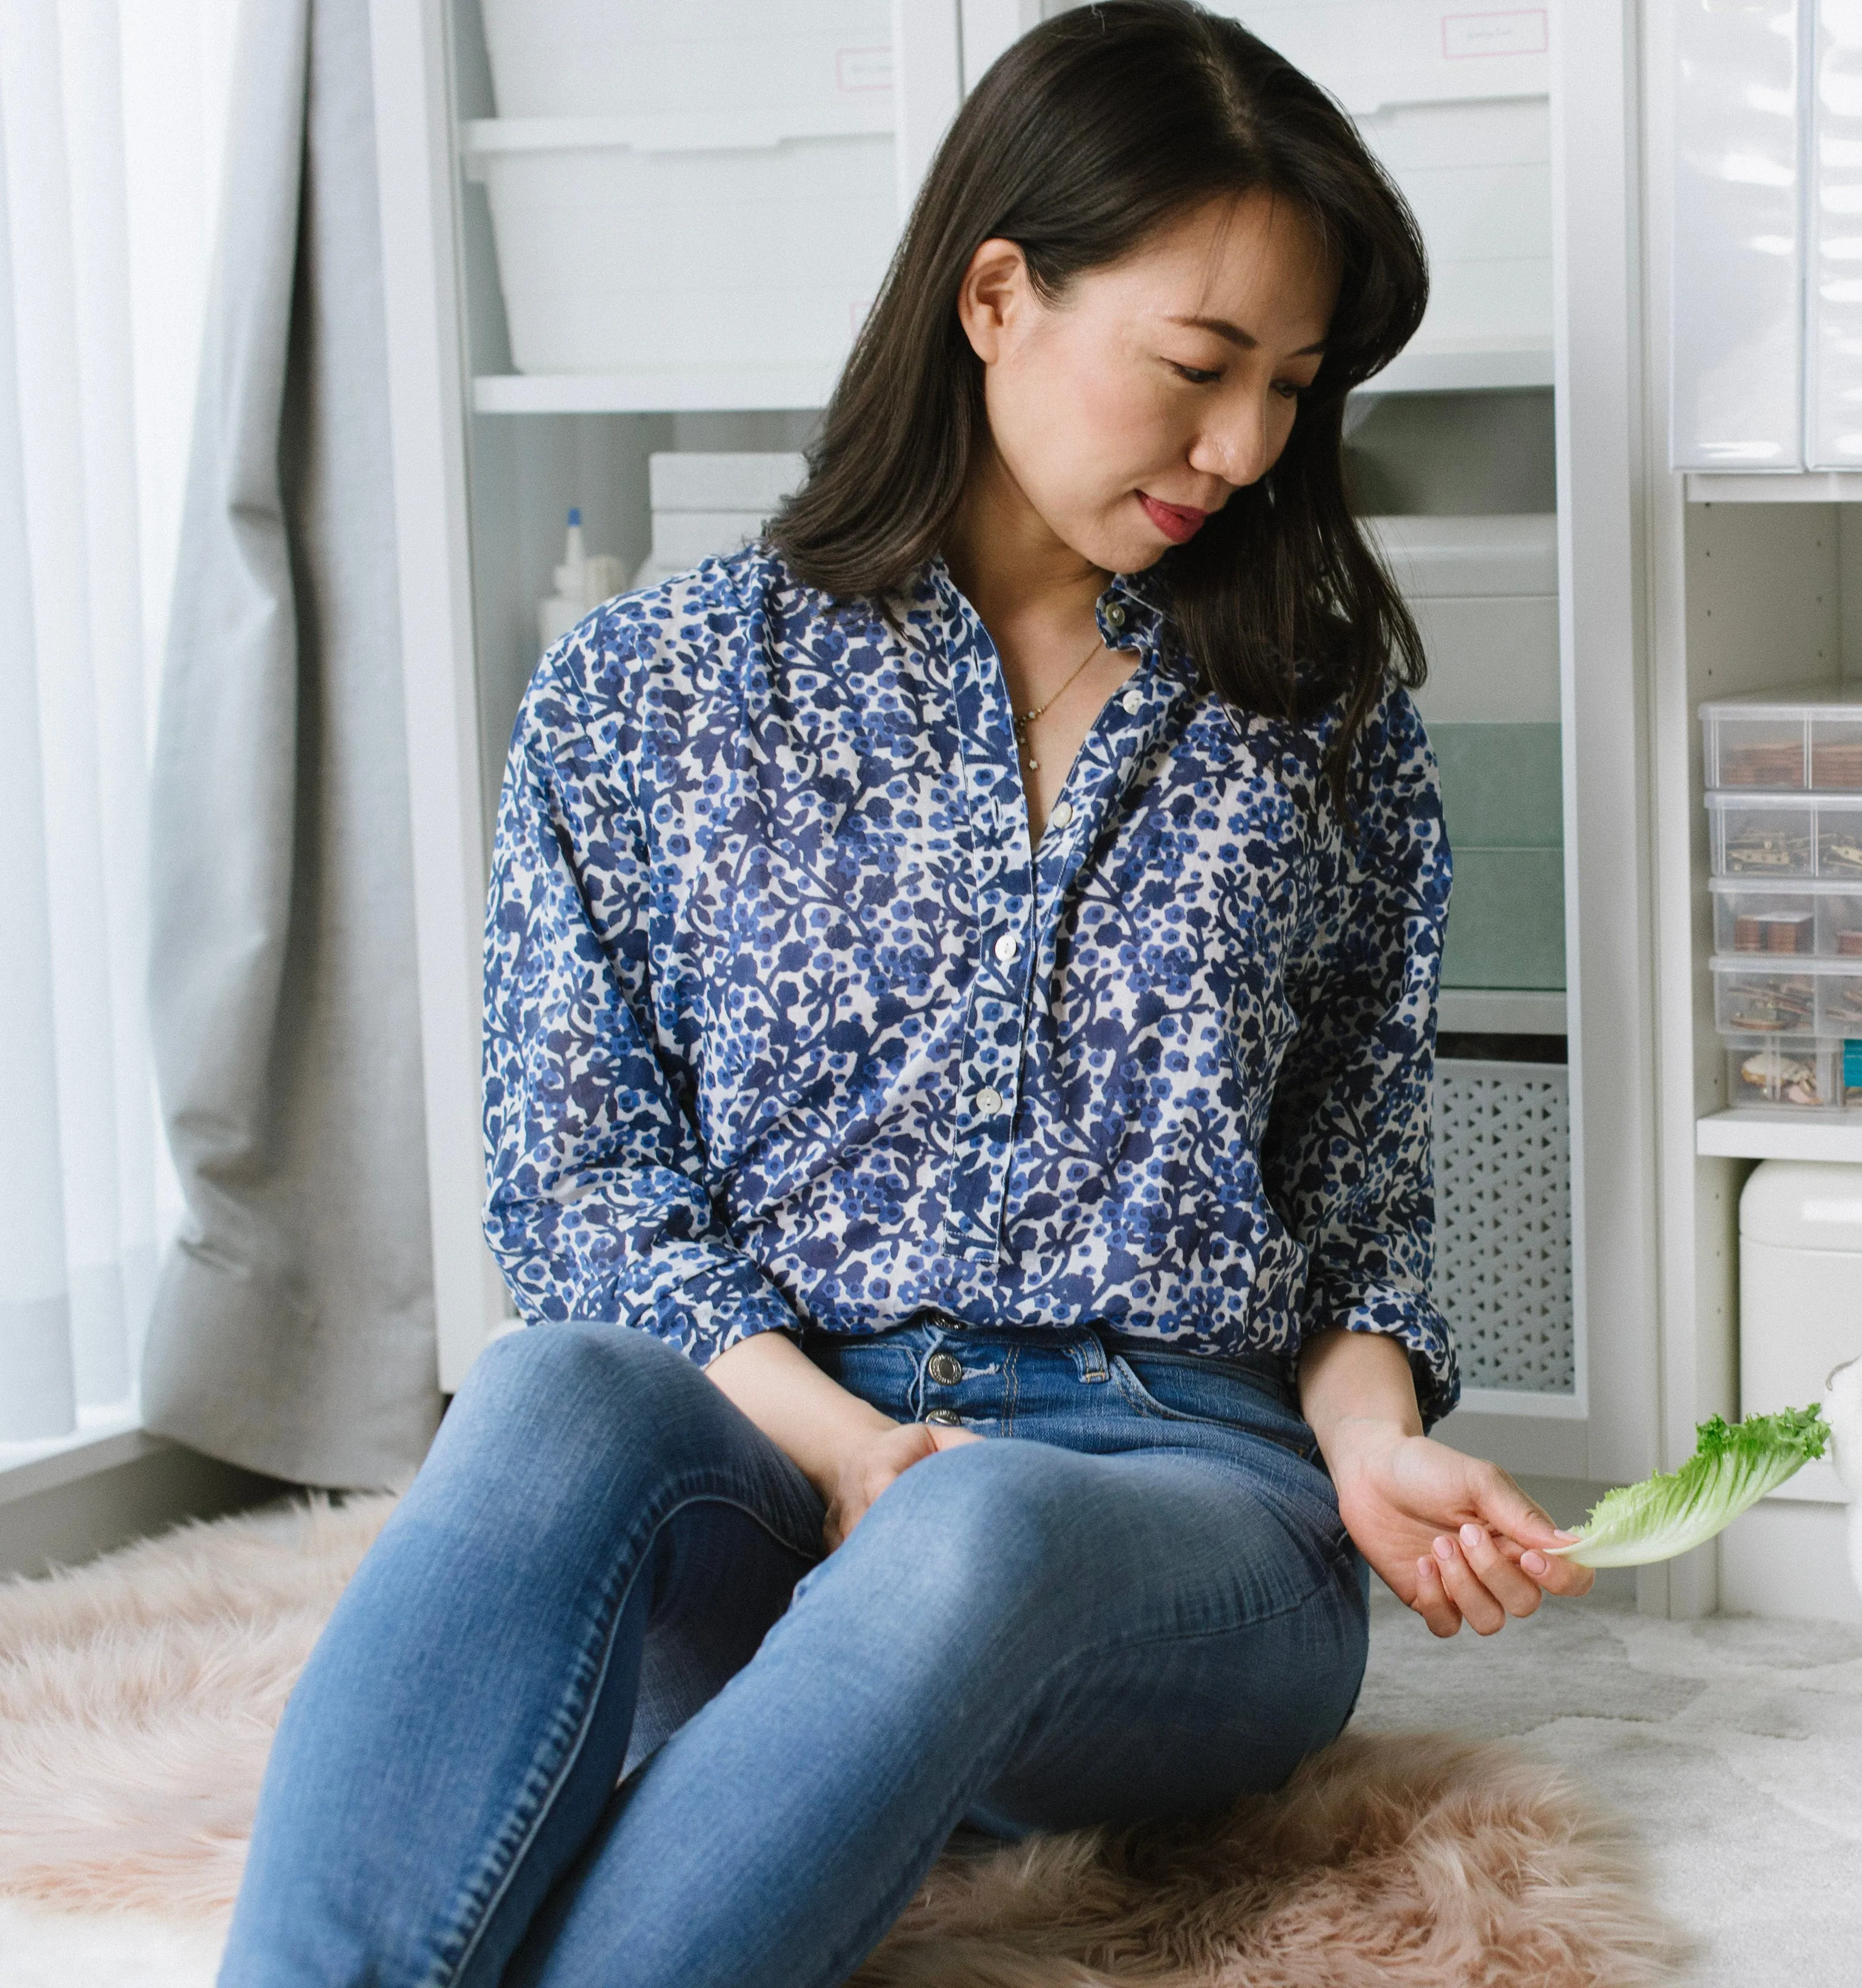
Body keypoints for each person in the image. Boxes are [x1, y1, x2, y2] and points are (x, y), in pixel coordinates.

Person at [219, 4, 1593, 1982]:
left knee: (978, 1529)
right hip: (781, 1461)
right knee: (540, 1393)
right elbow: (585, 1199)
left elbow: (1358, 1204)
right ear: (998, 293)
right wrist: (845, 1448)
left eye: (1296, 385)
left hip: (1174, 1513)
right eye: (1200, 367)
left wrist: (1373, 1449)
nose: (1249, 447)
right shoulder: (647, 693)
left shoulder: (1320, 715)